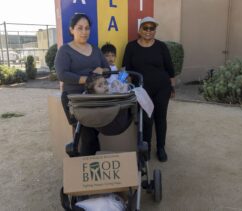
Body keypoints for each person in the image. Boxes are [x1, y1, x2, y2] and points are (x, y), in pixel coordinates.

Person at [54, 13, 110, 155]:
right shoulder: (65, 51)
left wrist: (102, 70)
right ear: (71, 30)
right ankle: (86, 166)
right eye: (80, 28)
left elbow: (108, 70)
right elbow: (62, 74)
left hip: (95, 98)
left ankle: (87, 164)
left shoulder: (96, 50)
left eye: (87, 28)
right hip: (75, 99)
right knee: (86, 135)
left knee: (92, 133)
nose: (84, 32)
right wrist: (88, 79)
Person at [122, 16, 176, 162]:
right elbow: (126, 69)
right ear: (140, 29)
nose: (148, 31)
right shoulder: (131, 46)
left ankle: (161, 148)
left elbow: (170, 68)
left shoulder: (161, 46)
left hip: (162, 88)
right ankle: (146, 148)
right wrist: (125, 86)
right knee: (146, 120)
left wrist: (172, 86)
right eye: (145, 28)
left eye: (152, 28)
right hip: (142, 90)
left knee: (160, 118)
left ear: (155, 31)